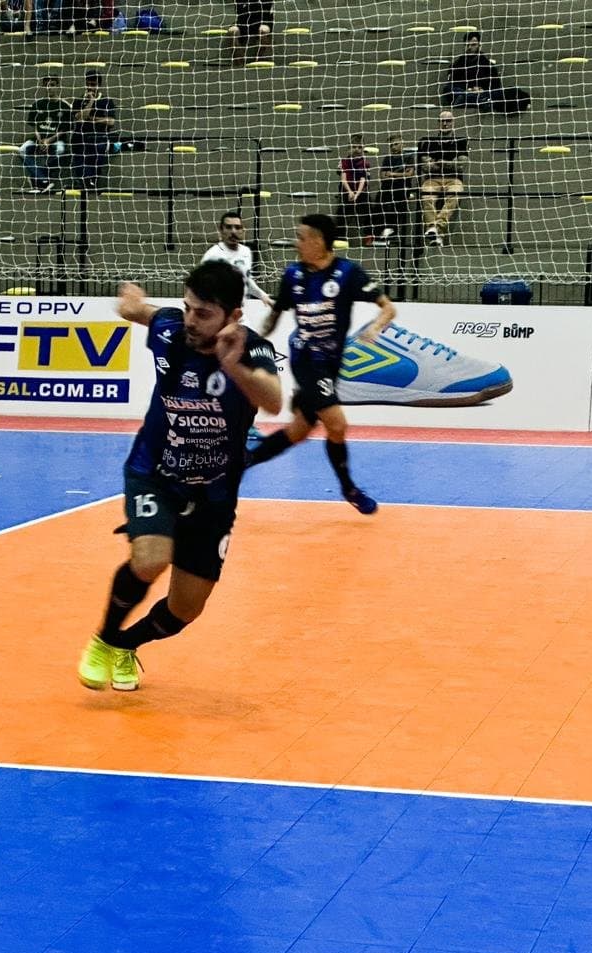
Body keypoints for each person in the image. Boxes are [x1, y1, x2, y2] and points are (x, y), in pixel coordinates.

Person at [76, 262, 283, 692]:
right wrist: (129, 302)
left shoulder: (253, 350)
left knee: (185, 609)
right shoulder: (171, 329)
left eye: (204, 313)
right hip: (154, 472)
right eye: (188, 307)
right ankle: (103, 639)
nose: (191, 319)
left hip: (214, 494)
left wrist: (233, 368)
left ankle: (125, 645)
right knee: (151, 558)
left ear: (233, 317)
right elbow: (142, 311)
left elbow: (275, 402)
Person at [252, 213, 396, 514]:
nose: (297, 242)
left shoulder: (348, 273)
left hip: (330, 364)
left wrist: (375, 328)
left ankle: (242, 463)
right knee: (337, 424)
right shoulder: (293, 275)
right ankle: (349, 489)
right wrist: (254, 338)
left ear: (319, 242)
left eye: (302, 237)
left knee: (300, 430)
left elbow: (388, 308)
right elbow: (276, 313)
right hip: (305, 358)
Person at [200, 211, 273, 309]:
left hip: (238, 311)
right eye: (229, 227)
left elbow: (246, 279)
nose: (233, 232)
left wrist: (262, 295)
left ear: (243, 231)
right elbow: (198, 285)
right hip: (219, 314)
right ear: (221, 230)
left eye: (237, 227)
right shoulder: (212, 255)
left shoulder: (246, 252)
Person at [417, 110, 469, 247]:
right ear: (438, 123)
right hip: (432, 179)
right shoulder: (428, 141)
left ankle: (436, 228)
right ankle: (437, 232)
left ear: (453, 122)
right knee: (426, 196)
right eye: (442, 121)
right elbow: (425, 166)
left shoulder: (461, 141)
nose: (445, 124)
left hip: (454, 179)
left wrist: (440, 163)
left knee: (455, 194)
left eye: (448, 121)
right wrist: (451, 163)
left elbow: (462, 165)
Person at [18, 75, 72, 192]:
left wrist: (49, 141)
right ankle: (43, 179)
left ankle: (36, 177)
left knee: (60, 150)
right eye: (46, 85)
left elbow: (64, 129)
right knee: (22, 149)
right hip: (39, 139)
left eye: (52, 85)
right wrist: (39, 139)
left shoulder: (65, 106)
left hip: (57, 140)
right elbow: (36, 125)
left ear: (58, 86)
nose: (49, 88)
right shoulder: (38, 104)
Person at [71, 70, 117, 191]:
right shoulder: (78, 100)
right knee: (79, 146)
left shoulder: (106, 101)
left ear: (99, 85)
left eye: (93, 84)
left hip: (99, 135)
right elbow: (79, 118)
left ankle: (90, 179)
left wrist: (92, 119)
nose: (90, 87)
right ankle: (85, 179)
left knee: (97, 146)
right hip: (81, 136)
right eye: (88, 84)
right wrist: (91, 101)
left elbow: (111, 122)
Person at [442, 31, 501, 110]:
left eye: (473, 45)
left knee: (500, 93)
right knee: (448, 88)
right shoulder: (456, 65)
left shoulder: (488, 65)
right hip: (464, 93)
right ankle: (476, 99)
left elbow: (496, 86)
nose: (469, 47)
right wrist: (468, 90)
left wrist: (481, 90)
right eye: (467, 45)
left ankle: (473, 98)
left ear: (479, 45)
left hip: (482, 93)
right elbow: (452, 84)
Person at [376, 134, 416, 243]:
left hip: (402, 187)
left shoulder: (409, 157)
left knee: (398, 199)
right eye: (391, 145)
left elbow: (409, 174)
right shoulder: (387, 159)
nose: (393, 147)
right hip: (388, 187)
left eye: (396, 144)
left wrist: (392, 174)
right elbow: (382, 175)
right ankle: (381, 230)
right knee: (379, 199)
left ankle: (393, 231)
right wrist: (398, 174)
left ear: (403, 144)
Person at [337, 134, 375, 245]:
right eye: (354, 147)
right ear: (349, 148)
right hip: (347, 191)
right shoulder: (344, 162)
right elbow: (343, 180)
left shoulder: (364, 163)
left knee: (369, 209)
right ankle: (340, 237)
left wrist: (357, 194)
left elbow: (363, 180)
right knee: (341, 212)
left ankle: (369, 235)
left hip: (360, 192)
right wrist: (350, 192)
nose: (357, 150)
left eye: (359, 147)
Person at [227, 0, 272, 65]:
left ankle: (259, 58)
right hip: (244, 23)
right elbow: (240, 13)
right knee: (232, 31)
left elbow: (266, 11)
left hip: (262, 22)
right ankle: (239, 62)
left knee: (263, 30)